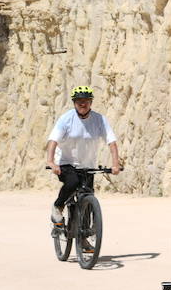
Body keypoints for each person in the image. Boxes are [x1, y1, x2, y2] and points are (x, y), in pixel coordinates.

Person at [46, 86, 122, 226]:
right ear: (74, 102)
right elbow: (53, 141)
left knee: (88, 198)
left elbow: (112, 142)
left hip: (87, 165)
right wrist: (51, 162)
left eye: (86, 100)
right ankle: (58, 206)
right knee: (73, 182)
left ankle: (85, 237)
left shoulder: (99, 120)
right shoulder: (66, 119)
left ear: (91, 102)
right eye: (79, 100)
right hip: (66, 163)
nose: (83, 103)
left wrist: (115, 164)